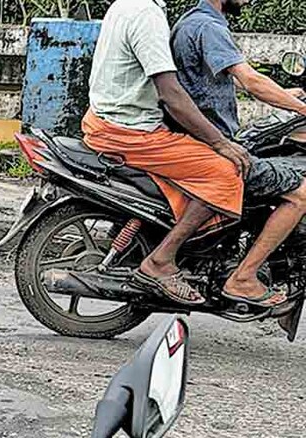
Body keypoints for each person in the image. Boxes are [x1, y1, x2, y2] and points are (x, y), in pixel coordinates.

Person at [83, 0, 252, 306]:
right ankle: (161, 261)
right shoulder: (148, 16)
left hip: (108, 120)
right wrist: (221, 143)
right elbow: (170, 94)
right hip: (133, 133)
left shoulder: (126, 5)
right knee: (227, 172)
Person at [171, 0, 306, 307]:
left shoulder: (194, 21)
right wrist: (301, 107)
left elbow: (217, 82)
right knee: (301, 193)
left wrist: (288, 95)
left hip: (203, 138)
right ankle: (243, 278)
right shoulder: (210, 27)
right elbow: (251, 81)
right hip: (211, 145)